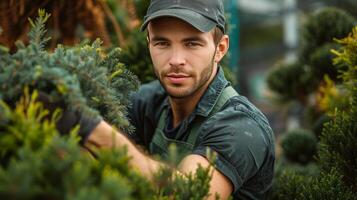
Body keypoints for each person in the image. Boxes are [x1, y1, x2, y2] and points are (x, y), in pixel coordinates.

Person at [49, 0, 275, 199]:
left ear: (220, 48)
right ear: (149, 43)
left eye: (192, 43)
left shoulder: (242, 127)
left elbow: (188, 193)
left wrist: (89, 127)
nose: (176, 60)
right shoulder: (148, 102)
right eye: (162, 43)